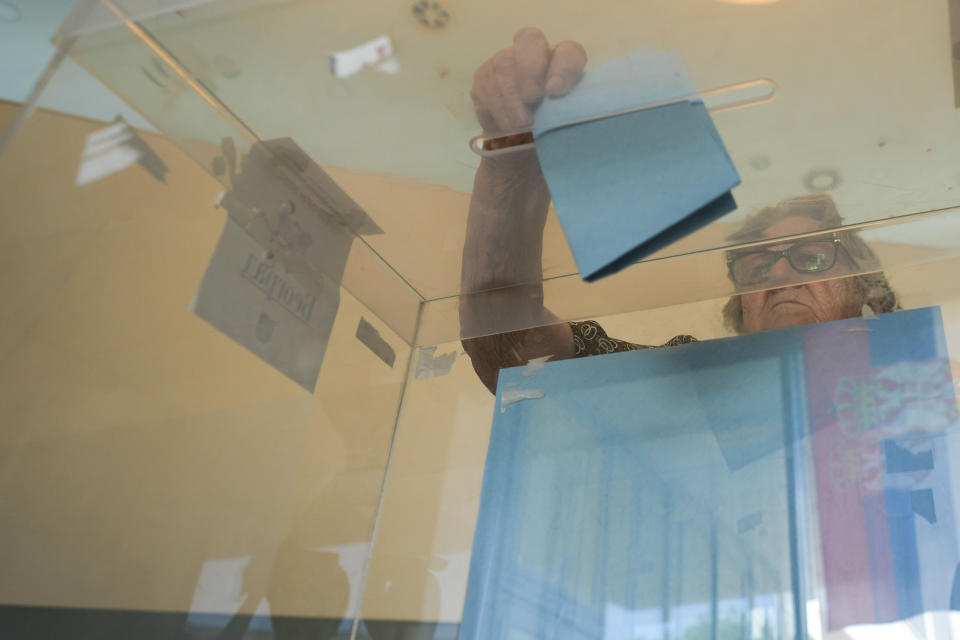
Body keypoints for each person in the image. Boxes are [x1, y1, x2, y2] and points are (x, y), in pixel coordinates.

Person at [460, 28, 899, 394]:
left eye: (812, 256)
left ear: (870, 299)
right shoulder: (689, 386)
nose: (780, 276)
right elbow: (510, 356)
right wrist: (512, 163)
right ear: (741, 315)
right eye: (758, 266)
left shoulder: (928, 399)